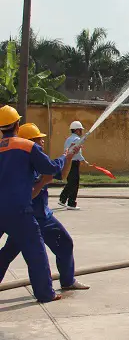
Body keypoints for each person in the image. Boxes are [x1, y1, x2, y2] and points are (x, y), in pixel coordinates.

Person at [0, 122, 89, 292]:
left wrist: (68, 157)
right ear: (30, 141)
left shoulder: (40, 160)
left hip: (41, 216)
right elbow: (30, 194)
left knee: (65, 244)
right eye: (38, 139)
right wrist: (42, 182)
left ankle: (67, 281)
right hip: (29, 219)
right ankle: (50, 289)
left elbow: (61, 174)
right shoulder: (26, 165)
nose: (42, 141)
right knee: (10, 254)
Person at [0, 105, 64, 303]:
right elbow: (50, 168)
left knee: (7, 252)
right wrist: (64, 157)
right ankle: (45, 293)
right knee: (36, 253)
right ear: (17, 125)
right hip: (19, 211)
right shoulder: (27, 146)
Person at [59, 120, 90, 211]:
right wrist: (83, 160)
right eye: (81, 130)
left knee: (70, 182)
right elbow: (77, 152)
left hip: (67, 162)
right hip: (74, 163)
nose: (82, 131)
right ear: (77, 130)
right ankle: (71, 203)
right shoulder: (76, 139)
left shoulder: (68, 139)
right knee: (74, 183)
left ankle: (62, 199)